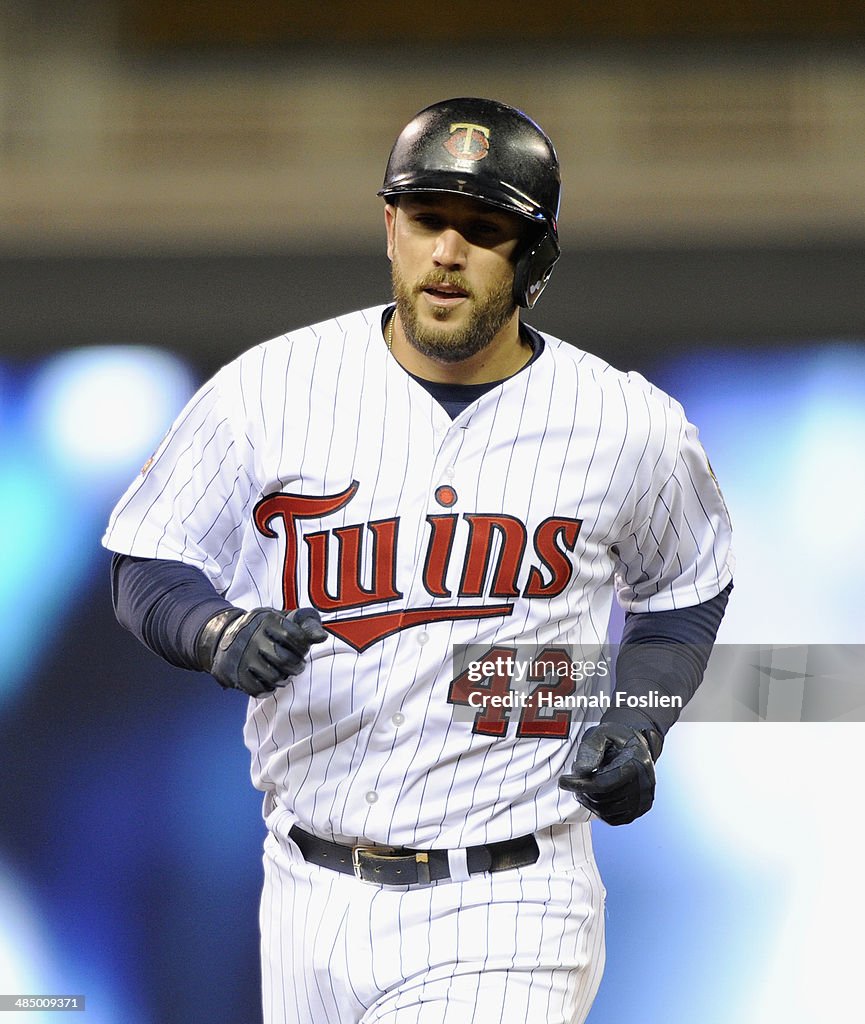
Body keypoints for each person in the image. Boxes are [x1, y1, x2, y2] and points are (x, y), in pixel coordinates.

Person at [103, 97, 734, 1024]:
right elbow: (144, 559)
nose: (446, 251)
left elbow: (683, 596)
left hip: (509, 894)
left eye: (483, 230)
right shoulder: (268, 389)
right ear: (389, 225)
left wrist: (636, 723)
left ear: (534, 258)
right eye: (426, 218)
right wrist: (215, 629)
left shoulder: (625, 423)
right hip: (302, 886)